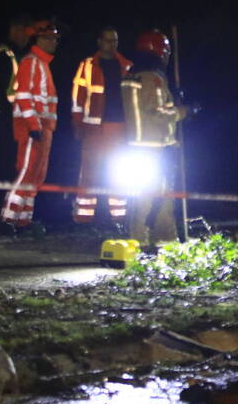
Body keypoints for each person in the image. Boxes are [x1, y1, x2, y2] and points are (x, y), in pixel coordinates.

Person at [121, 29, 189, 246]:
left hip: (135, 144)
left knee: (144, 196)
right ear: (161, 52)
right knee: (159, 197)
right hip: (155, 145)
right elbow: (157, 112)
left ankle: (148, 239)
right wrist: (184, 111)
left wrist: (173, 98)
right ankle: (160, 240)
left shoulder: (131, 74)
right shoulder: (154, 77)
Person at [0, 19, 59, 229]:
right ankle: (8, 219)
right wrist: (34, 126)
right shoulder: (31, 62)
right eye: (50, 38)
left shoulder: (42, 64)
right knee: (26, 172)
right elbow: (23, 96)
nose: (54, 42)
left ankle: (23, 221)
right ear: (38, 39)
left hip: (44, 128)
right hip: (32, 127)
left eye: (55, 38)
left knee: (36, 175)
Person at [70, 26, 133, 225]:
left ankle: (119, 217)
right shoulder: (87, 65)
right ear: (99, 42)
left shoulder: (127, 66)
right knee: (90, 171)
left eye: (114, 40)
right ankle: (84, 217)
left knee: (120, 172)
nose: (111, 44)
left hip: (120, 128)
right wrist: (77, 124)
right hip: (94, 128)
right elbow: (77, 98)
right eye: (107, 40)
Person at [0, 16, 32, 203]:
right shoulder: (4, 55)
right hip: (0, 121)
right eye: (24, 32)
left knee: (9, 168)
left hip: (7, 120)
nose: (26, 37)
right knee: (0, 168)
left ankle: (3, 213)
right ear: (14, 30)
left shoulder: (17, 55)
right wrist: (14, 116)